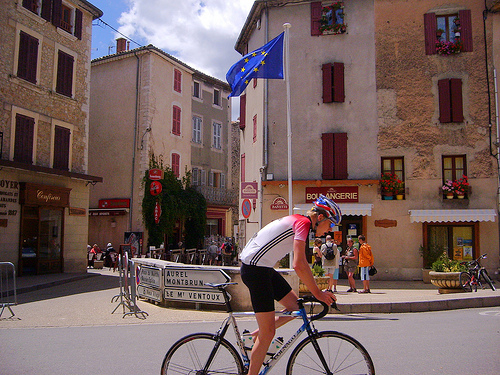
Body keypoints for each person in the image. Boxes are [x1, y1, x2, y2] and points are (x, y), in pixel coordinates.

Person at [239, 194, 341, 375]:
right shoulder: (303, 223)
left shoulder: (301, 223)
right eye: (330, 224)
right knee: (268, 333)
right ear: (320, 217)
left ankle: (252, 337)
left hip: (263, 268)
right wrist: (317, 294)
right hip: (256, 270)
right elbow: (299, 264)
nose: (329, 230)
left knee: (296, 308)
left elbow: (300, 264)